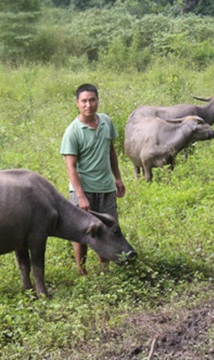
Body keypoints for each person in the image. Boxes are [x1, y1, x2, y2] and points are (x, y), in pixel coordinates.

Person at [60, 83, 126, 275]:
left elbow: (111, 151)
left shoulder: (106, 121)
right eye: (84, 101)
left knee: (108, 228)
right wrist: (80, 196)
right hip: (83, 190)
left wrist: (118, 178)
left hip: (106, 188)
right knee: (82, 232)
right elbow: (70, 167)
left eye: (92, 100)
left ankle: (104, 268)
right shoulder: (72, 131)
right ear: (77, 104)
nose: (88, 105)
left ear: (98, 100)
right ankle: (82, 270)